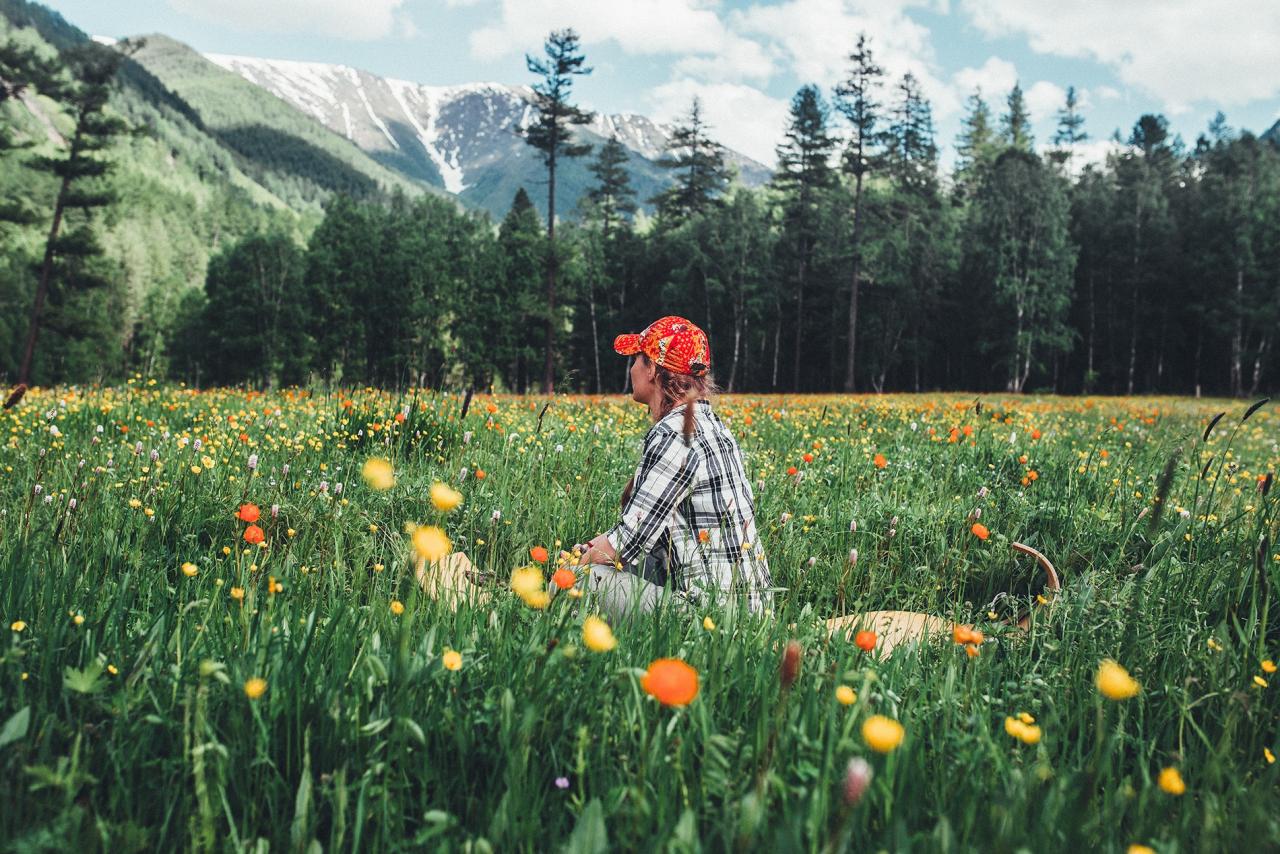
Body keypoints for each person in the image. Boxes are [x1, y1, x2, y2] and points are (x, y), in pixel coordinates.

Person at [573, 316, 773, 621]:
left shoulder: (674, 435)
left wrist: (573, 565)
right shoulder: (716, 427)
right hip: (750, 614)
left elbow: (627, 540)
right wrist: (593, 550)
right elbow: (648, 538)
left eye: (636, 360)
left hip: (713, 618)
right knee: (634, 562)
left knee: (577, 584)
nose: (631, 370)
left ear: (652, 369)